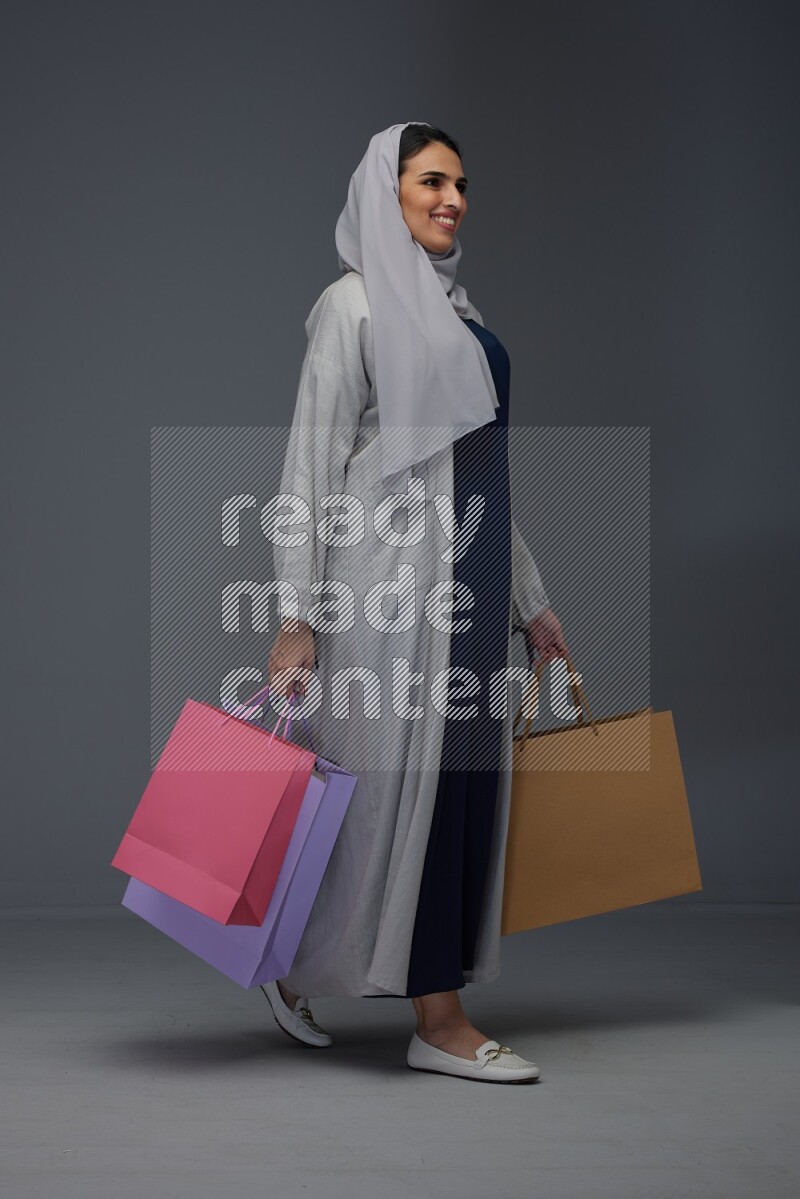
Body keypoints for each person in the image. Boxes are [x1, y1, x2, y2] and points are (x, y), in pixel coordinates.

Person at [259, 123, 567, 1084]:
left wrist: (533, 603)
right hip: (389, 589)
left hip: (469, 587)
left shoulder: (459, 314)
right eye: (431, 180)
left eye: (462, 184)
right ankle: (436, 1016)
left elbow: (481, 474)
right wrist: (297, 613)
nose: (453, 199)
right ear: (380, 193)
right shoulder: (351, 305)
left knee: (460, 785)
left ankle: (331, 970)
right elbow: (309, 463)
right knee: (395, 794)